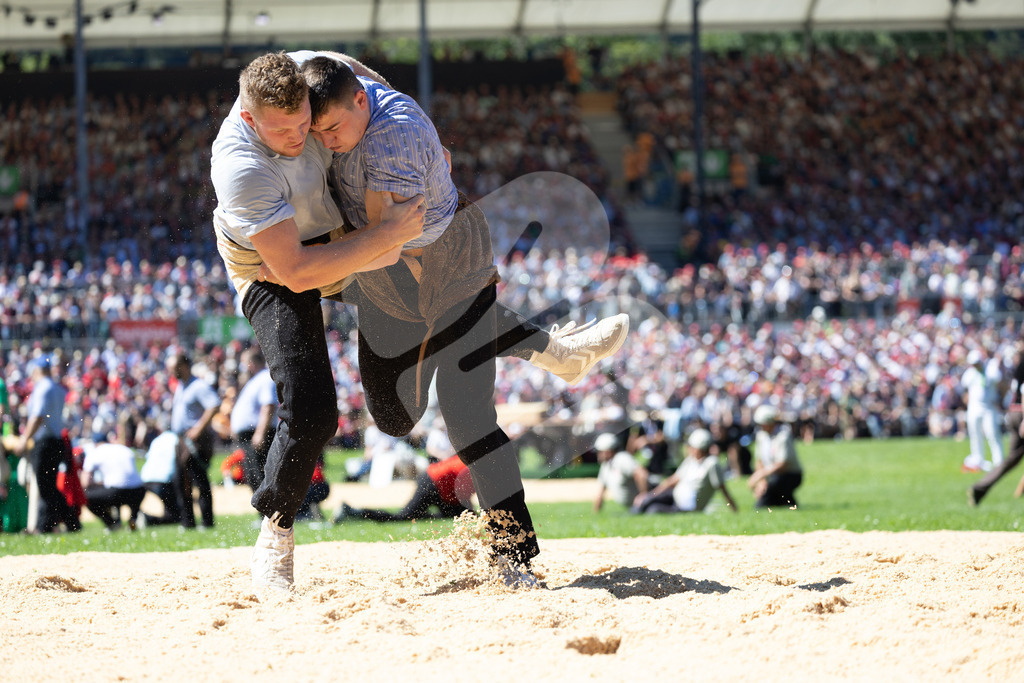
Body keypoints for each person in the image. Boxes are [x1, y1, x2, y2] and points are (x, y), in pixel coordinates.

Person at [296, 53, 630, 583]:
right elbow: (346, 67)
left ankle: (514, 558)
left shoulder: (392, 137)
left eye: (334, 128)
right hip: (388, 274)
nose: (328, 140)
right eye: (319, 131)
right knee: (394, 417)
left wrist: (315, 263)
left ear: (360, 99)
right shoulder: (339, 93)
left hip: (443, 253)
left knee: (469, 418)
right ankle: (555, 351)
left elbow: (385, 244)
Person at [211, 50, 429, 593]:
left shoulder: (314, 69)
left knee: (398, 410)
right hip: (270, 265)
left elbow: (374, 95)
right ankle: (276, 533)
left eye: (305, 123)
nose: (297, 136)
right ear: (248, 118)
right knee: (311, 409)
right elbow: (297, 272)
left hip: (333, 236)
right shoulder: (239, 164)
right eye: (281, 130)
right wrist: (383, 239)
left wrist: (426, 142)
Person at [12, 356, 80, 533]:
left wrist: (24, 438)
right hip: (56, 441)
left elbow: (37, 417)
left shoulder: (43, 388)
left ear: (36, 370)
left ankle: (45, 526)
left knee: (44, 486)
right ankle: (70, 521)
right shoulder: (57, 388)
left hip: (45, 441)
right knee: (49, 485)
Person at [336, 453, 473, 523]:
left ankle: (420, 516)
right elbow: (461, 491)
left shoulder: (477, 460)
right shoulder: (477, 468)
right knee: (404, 516)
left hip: (440, 485)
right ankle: (354, 511)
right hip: (432, 483)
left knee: (467, 516)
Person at [167, 352, 220, 529]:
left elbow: (213, 405)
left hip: (195, 440)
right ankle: (187, 522)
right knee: (181, 481)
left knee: (199, 480)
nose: (171, 372)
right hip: (181, 440)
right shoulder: (180, 387)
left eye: (174, 368)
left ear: (183, 366)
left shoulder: (198, 386)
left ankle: (206, 522)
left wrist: (198, 428)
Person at [969, 339, 1024, 506]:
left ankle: (980, 488)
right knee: (1012, 458)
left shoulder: (1017, 369)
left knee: (1011, 459)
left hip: (1013, 414)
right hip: (1021, 415)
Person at [632, 428, 738, 514]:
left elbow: (722, 488)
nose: (689, 449)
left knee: (653, 510)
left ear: (700, 448)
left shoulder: (712, 463)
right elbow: (672, 480)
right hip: (674, 496)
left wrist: (733, 508)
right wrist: (650, 495)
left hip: (687, 507)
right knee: (647, 501)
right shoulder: (691, 460)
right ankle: (634, 512)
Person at [229, 348, 278, 491]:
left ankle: (268, 510)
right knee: (252, 473)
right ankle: (264, 511)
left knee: (259, 474)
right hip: (250, 434)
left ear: (251, 363)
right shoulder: (255, 380)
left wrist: (260, 433)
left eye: (244, 363)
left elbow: (268, 406)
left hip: (257, 433)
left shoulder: (264, 378)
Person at [79, 429, 147, 531]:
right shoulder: (123, 449)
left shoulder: (95, 453)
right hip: (139, 490)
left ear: (95, 443)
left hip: (116, 492)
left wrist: (98, 484)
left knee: (86, 496)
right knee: (119, 493)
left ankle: (112, 523)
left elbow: (85, 482)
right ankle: (132, 521)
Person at [748, 405, 803, 508]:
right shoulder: (761, 436)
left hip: (789, 475)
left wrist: (760, 475)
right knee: (771, 496)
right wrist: (762, 481)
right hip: (771, 475)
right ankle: (787, 503)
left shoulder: (783, 436)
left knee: (764, 501)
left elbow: (783, 465)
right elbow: (759, 460)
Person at [960, 349, 1005, 473]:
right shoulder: (969, 374)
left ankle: (999, 462)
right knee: (975, 435)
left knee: (992, 434)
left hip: (989, 407)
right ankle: (977, 460)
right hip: (974, 407)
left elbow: (1000, 381)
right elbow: (965, 390)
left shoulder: (990, 370)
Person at [593, 432, 648, 512]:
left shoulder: (622, 458)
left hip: (650, 500)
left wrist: (644, 496)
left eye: (599, 451)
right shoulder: (606, 465)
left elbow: (641, 474)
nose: (598, 454)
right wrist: (596, 512)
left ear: (607, 451)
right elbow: (601, 491)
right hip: (636, 507)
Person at [139, 430, 181, 526]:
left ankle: (143, 518)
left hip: (146, 478)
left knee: (170, 508)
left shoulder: (156, 440)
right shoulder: (177, 439)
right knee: (176, 516)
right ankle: (150, 520)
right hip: (164, 480)